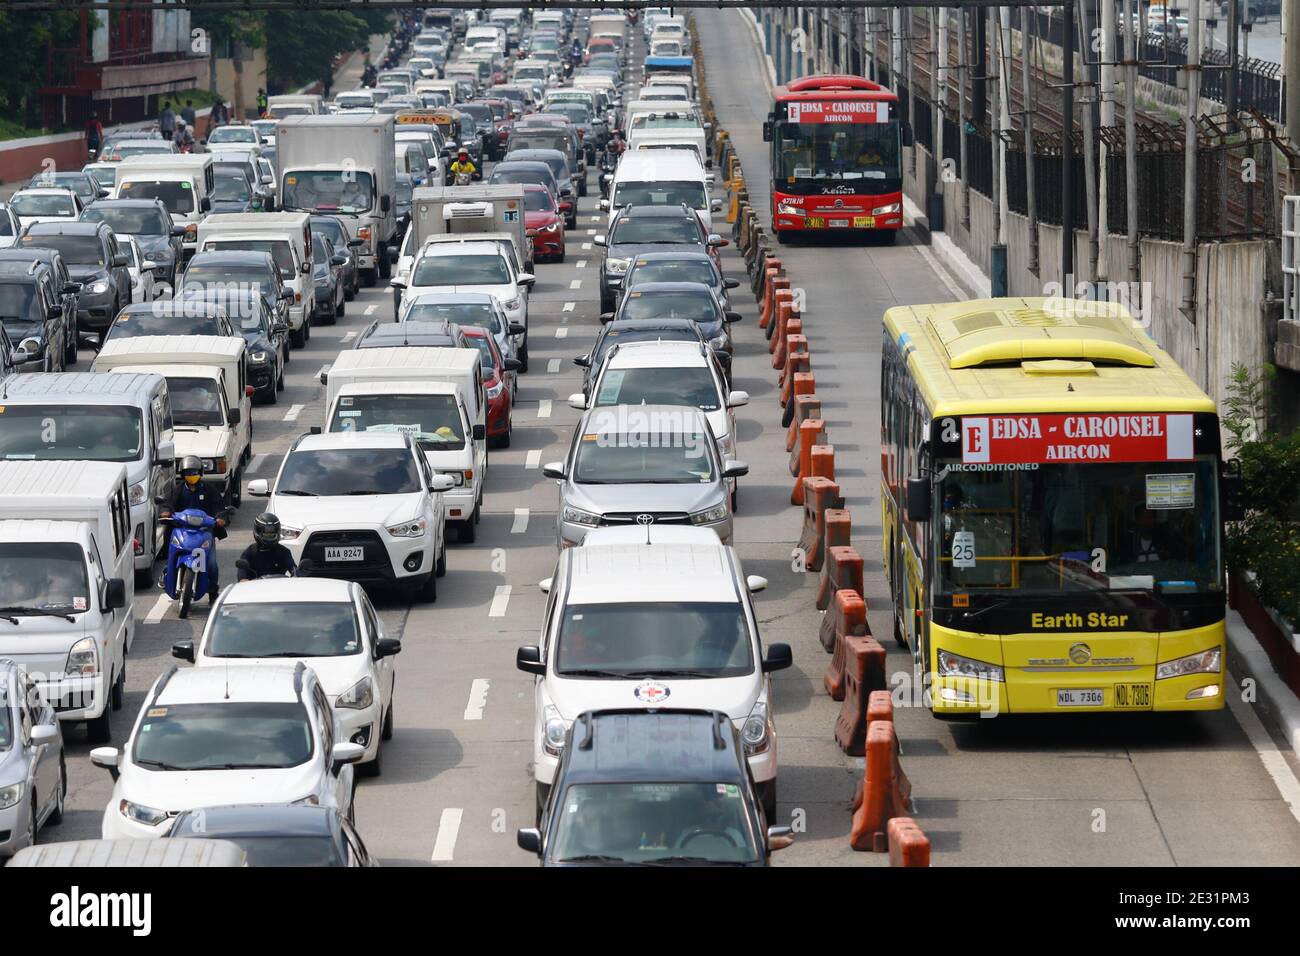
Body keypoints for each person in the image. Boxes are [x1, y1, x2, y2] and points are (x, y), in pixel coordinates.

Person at [161, 456, 227, 601]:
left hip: (204, 532)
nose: (191, 476)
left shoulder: (210, 490)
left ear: (201, 473)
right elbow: (168, 504)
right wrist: (166, 511)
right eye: (188, 473)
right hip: (182, 530)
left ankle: (213, 591)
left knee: (211, 564)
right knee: (169, 557)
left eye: (194, 472)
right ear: (183, 475)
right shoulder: (177, 490)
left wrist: (220, 517)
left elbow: (219, 507)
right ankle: (165, 576)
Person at [236, 513, 298, 581]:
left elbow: (294, 570)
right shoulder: (249, 552)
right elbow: (242, 573)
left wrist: (298, 574)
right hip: (255, 589)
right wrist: (243, 579)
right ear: (258, 531)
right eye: (267, 533)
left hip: (280, 588)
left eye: (272, 533)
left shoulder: (284, 552)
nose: (270, 535)